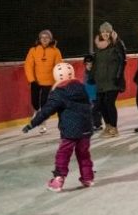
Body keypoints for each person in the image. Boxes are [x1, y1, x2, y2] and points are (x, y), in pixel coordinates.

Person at [21, 62, 94, 191]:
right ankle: (87, 177)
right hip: (86, 127)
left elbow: (46, 111)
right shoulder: (82, 88)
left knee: (63, 154)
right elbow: (90, 104)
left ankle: (58, 179)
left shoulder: (59, 92)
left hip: (69, 130)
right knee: (83, 153)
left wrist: (32, 123)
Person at [23, 29, 63, 132]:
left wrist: (56, 81)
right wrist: (32, 80)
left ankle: (43, 123)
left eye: (47, 37)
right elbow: (28, 65)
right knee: (34, 102)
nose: (44, 39)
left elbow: (58, 67)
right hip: (35, 81)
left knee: (44, 103)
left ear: (51, 39)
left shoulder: (56, 51)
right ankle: (37, 112)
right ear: (39, 39)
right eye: (42, 37)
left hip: (49, 82)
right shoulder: (33, 50)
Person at [92, 22, 126, 137]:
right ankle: (108, 126)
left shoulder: (117, 43)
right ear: (100, 33)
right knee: (101, 104)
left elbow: (122, 61)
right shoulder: (98, 46)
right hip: (100, 80)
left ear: (111, 32)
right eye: (103, 32)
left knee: (109, 103)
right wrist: (93, 76)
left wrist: (118, 76)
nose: (105, 34)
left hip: (113, 79)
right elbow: (96, 63)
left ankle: (114, 128)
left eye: (107, 31)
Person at [82, 54, 102, 131]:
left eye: (91, 64)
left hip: (96, 95)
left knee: (96, 110)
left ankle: (97, 124)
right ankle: (92, 124)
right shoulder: (86, 73)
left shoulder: (96, 73)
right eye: (87, 64)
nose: (89, 66)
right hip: (89, 96)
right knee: (91, 110)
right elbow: (85, 84)